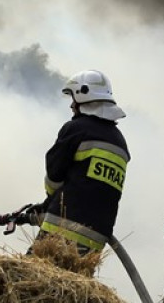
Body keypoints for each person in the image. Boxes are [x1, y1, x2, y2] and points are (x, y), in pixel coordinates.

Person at [31, 69, 130, 255]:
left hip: (61, 229)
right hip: (96, 241)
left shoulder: (76, 129)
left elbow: (54, 175)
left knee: (23, 272)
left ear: (83, 95)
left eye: (73, 99)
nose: (71, 105)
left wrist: (49, 202)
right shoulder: (120, 142)